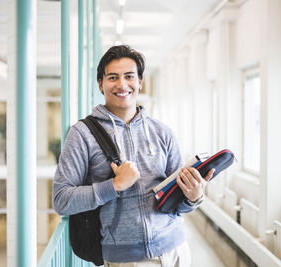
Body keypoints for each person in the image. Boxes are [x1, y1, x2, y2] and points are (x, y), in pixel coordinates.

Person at [53, 45, 214, 267]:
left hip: (176, 250)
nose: (121, 84)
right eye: (112, 77)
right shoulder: (82, 134)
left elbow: (179, 204)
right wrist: (115, 185)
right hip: (126, 260)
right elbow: (62, 200)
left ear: (139, 82)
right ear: (101, 84)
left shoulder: (162, 132)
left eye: (129, 76)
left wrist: (194, 196)